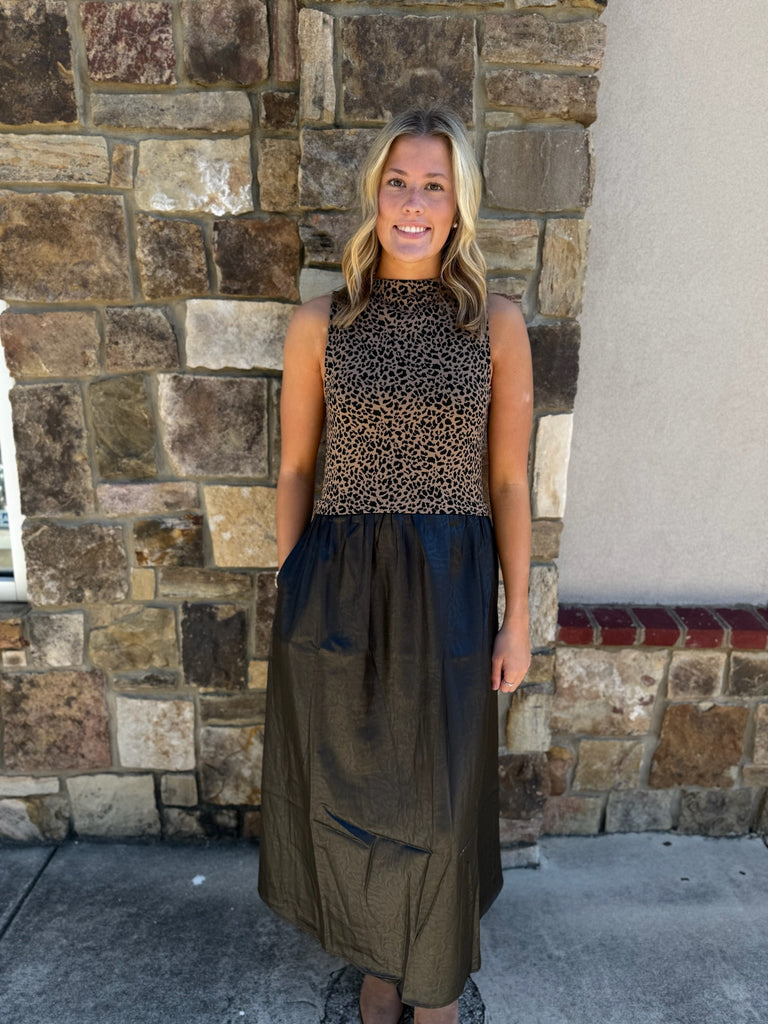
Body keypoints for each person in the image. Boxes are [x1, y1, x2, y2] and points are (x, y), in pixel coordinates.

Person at [258, 106, 533, 1024]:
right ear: (375, 195)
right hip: (338, 584)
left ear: (460, 206)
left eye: (434, 187)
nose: (414, 204)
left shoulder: (494, 325)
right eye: (398, 183)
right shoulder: (321, 323)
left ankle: (437, 985)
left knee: (442, 804)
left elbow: (508, 480)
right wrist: (295, 584)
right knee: (355, 795)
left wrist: (518, 615)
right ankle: (380, 968)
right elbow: (296, 468)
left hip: (450, 582)